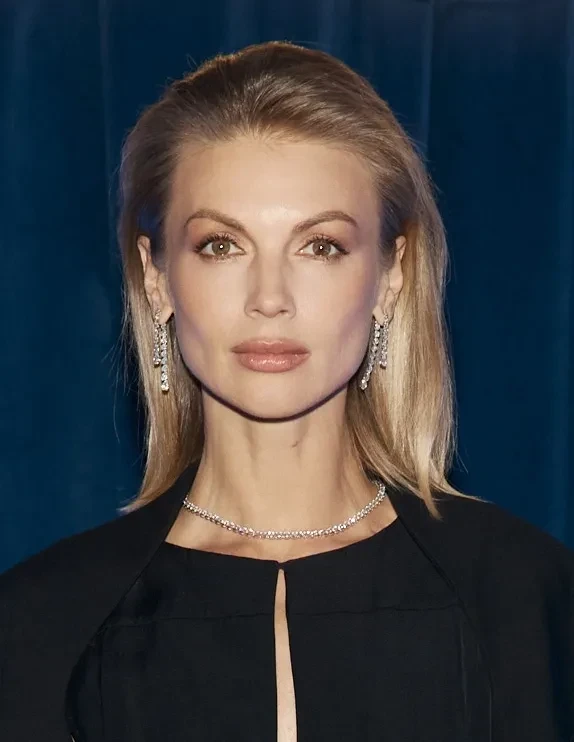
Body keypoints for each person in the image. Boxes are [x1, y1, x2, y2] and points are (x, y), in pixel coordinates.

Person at [0, 40, 573, 742]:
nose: (269, 297)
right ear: (156, 278)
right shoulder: (39, 624)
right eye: (221, 245)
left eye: (320, 246)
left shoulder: (529, 599)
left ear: (391, 276)